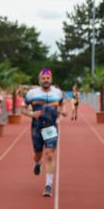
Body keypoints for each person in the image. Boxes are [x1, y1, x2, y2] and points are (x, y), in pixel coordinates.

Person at [24, 69, 67, 197]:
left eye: (48, 78)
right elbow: (21, 108)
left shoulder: (58, 92)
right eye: (43, 78)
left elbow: (62, 104)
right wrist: (31, 113)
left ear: (51, 79)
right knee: (38, 154)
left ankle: (48, 185)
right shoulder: (32, 93)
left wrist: (62, 111)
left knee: (49, 154)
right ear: (39, 80)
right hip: (36, 127)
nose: (46, 80)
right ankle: (37, 162)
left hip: (51, 128)